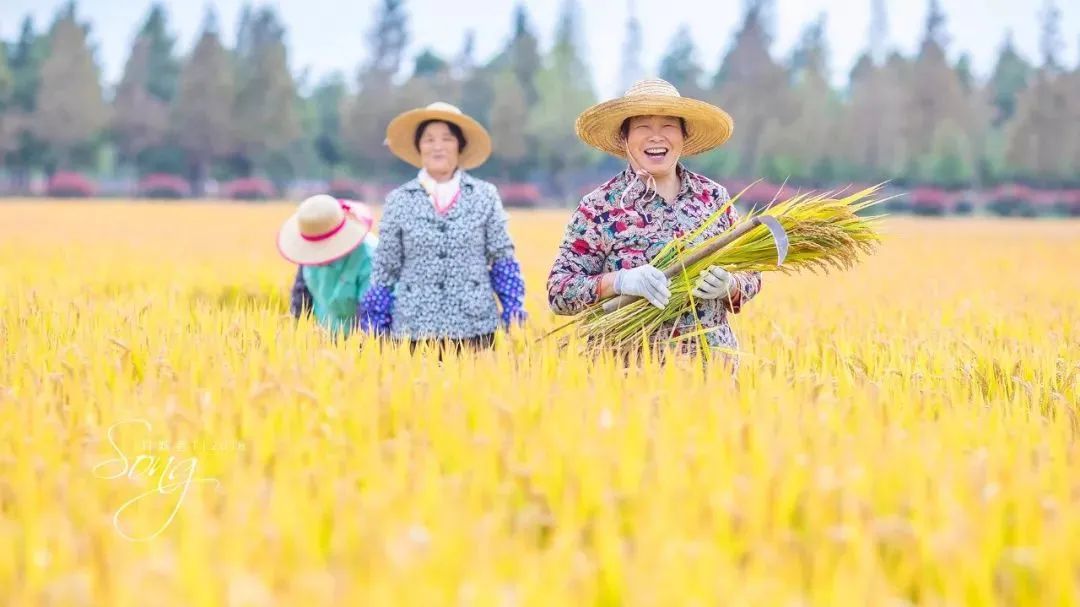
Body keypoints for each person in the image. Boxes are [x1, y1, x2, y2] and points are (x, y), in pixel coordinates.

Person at [546, 78, 762, 369]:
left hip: (712, 378)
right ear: (624, 138)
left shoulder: (712, 198)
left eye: (668, 126)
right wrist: (620, 281)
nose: (656, 137)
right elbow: (560, 291)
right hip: (627, 378)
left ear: (683, 136)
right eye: (643, 127)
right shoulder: (599, 207)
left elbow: (752, 272)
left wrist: (730, 285)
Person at [359, 102, 527, 353]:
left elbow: (502, 258)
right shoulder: (399, 200)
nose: (438, 146)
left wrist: (513, 311)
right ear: (419, 147)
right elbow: (385, 269)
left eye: (447, 139)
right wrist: (376, 326)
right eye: (429, 139)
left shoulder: (484, 196)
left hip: (475, 329)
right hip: (413, 330)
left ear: (460, 146)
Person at [280, 194, 378, 337]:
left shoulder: (370, 259)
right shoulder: (308, 255)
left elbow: (371, 320)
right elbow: (300, 303)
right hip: (324, 339)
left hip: (362, 344)